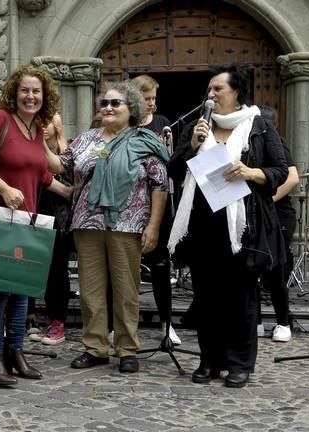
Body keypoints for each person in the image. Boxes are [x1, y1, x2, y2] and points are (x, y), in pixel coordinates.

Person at [167, 64, 288, 388]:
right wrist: (192, 145)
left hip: (242, 229)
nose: (211, 95)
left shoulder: (257, 126)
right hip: (203, 225)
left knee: (241, 299)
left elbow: (280, 170)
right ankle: (210, 360)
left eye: (218, 89)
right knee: (206, 298)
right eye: (209, 90)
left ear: (237, 92)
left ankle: (239, 363)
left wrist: (250, 172)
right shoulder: (198, 127)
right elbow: (175, 169)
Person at [44, 81, 170, 374]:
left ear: (132, 109)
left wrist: (153, 226)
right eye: (105, 103)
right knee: (91, 289)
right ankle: (95, 347)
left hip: (127, 224)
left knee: (126, 289)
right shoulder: (86, 140)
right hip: (87, 223)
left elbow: (160, 186)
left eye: (116, 103)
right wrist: (39, 137)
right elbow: (57, 166)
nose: (109, 108)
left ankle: (127, 349)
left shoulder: (145, 141)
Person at [0, 64, 72, 386]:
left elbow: (40, 173)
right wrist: (3, 188)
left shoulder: (37, 129)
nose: (30, 96)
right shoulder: (0, 119)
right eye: (25, 90)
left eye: (36, 91)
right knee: (2, 288)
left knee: (23, 289)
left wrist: (68, 191)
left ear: (45, 96)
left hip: (27, 219)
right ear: (14, 92)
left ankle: (16, 352)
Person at [130, 74, 181, 345]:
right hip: (130, 205)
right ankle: (123, 325)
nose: (152, 104)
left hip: (158, 203)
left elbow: (171, 164)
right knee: (125, 269)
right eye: (147, 98)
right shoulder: (125, 124)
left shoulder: (163, 124)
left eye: (154, 99)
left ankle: (166, 324)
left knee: (161, 267)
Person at [28, 113, 72, 345]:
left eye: (47, 122)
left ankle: (58, 322)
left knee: (57, 271)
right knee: (35, 270)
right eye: (38, 123)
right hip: (36, 213)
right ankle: (37, 319)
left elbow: (70, 184)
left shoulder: (69, 149)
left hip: (61, 221)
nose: (42, 127)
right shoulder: (31, 151)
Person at [259, 105, 298, 342]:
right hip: (256, 215)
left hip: (278, 215)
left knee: (275, 272)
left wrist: (265, 201)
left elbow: (292, 177)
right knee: (249, 270)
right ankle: (256, 322)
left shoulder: (277, 143)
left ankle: (283, 322)